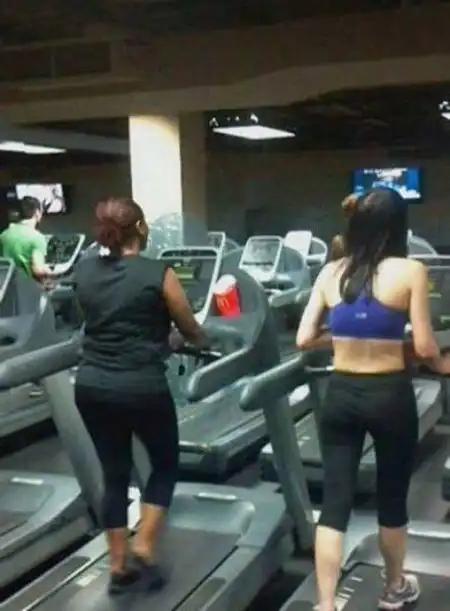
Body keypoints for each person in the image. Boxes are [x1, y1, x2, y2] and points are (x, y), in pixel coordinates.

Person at [295, 188, 450, 611]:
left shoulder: (331, 272)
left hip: (341, 395)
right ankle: (394, 588)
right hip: (389, 396)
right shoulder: (411, 270)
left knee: (334, 504)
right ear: (398, 228)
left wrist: (347, 339)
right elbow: (425, 346)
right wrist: (440, 364)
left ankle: (325, 604)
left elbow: (304, 339)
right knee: (392, 497)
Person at [73, 197, 209, 596]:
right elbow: (189, 326)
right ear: (141, 229)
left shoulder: (84, 271)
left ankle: (118, 566)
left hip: (92, 385)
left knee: (114, 473)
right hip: (141, 386)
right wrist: (192, 339)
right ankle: (145, 545)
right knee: (164, 465)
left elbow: (95, 319)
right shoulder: (158, 272)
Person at [0, 196, 55, 398]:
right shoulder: (35, 238)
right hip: (31, 293)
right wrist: (52, 271)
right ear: (38, 213)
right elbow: (38, 269)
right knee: (43, 339)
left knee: (17, 338)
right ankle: (42, 382)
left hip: (9, 294)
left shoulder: (5, 234)